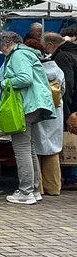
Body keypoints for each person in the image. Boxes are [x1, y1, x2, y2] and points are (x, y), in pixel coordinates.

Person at [0, 30, 54, 205]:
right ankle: (33, 189)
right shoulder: (26, 53)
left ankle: (25, 191)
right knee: (29, 147)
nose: (1, 51)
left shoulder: (18, 55)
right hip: (34, 105)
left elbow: (24, 79)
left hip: (25, 105)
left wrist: (0, 83)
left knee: (22, 149)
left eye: (0, 48)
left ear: (6, 43)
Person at [36, 36, 66, 196]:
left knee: (35, 149)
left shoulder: (37, 73)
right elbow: (63, 91)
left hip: (40, 113)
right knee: (52, 150)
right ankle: (54, 187)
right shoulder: (58, 71)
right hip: (56, 112)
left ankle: (38, 187)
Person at [53, 26, 77, 189]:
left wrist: (67, 111)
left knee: (69, 140)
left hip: (70, 106)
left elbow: (66, 85)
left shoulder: (62, 57)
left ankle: (69, 177)